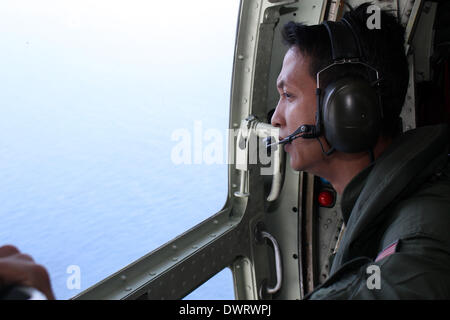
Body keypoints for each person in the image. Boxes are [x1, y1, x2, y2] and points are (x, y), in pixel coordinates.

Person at [271, 2, 450, 298]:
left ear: (348, 107)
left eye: (288, 95)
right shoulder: (391, 200)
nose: (275, 118)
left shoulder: (424, 228)